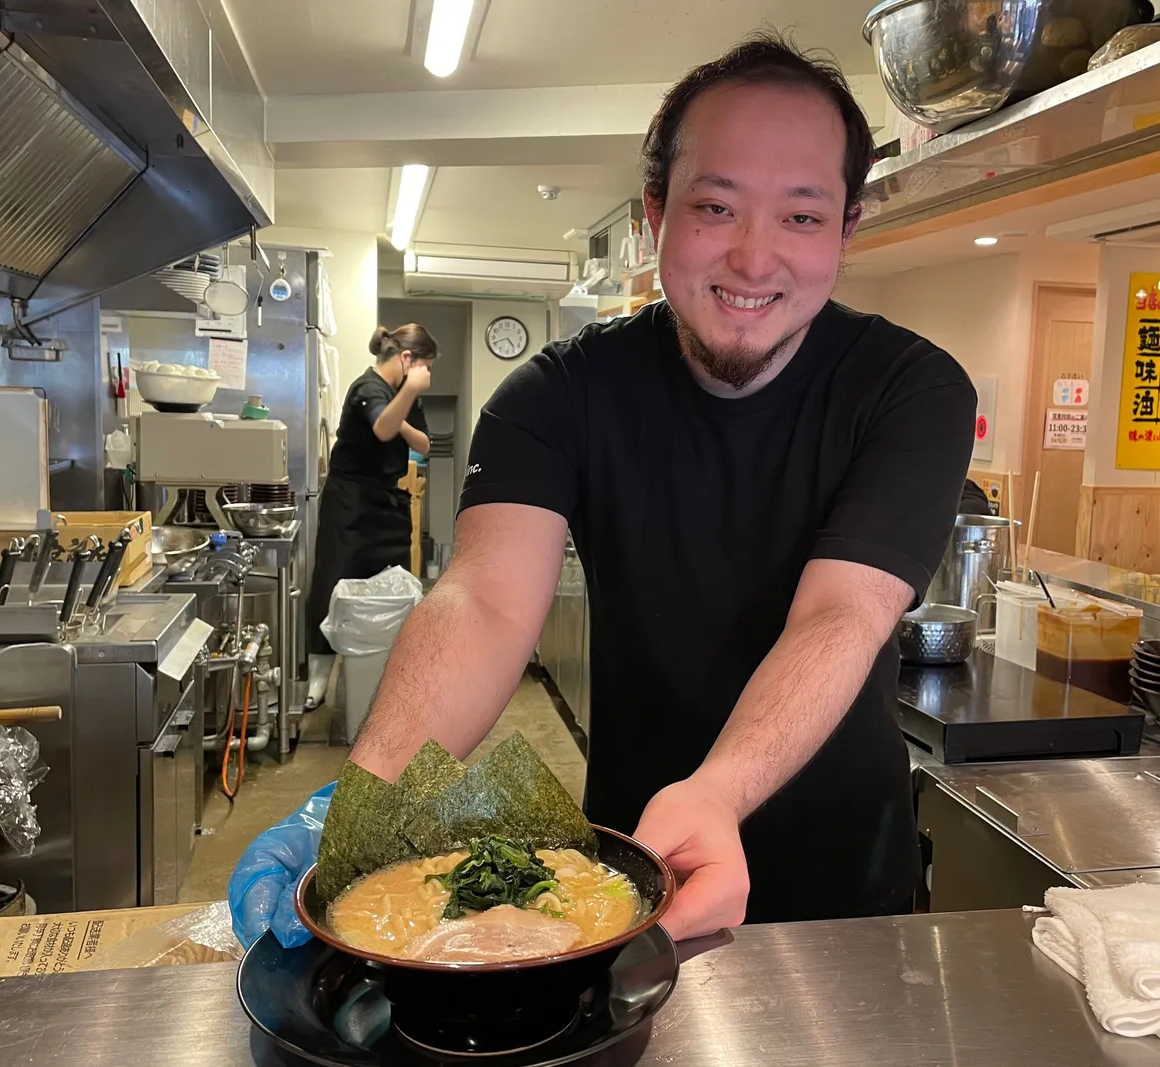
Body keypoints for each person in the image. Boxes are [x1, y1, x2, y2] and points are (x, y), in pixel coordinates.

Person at [233, 32, 975, 946]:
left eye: (802, 217)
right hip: (622, 879)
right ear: (655, 215)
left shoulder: (911, 389)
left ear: (847, 230)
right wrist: (361, 802)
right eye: (716, 206)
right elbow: (485, 602)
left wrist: (719, 792)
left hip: (845, 896)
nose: (752, 258)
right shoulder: (558, 394)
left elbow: (843, 614)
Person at [304, 324, 436, 708]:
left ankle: (385, 673)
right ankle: (318, 678)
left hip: (387, 500)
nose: (428, 376)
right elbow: (382, 429)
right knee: (332, 584)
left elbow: (425, 444)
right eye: (425, 366)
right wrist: (409, 392)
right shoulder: (368, 388)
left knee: (392, 587)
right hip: (350, 501)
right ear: (407, 359)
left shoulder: (404, 395)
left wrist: (406, 411)